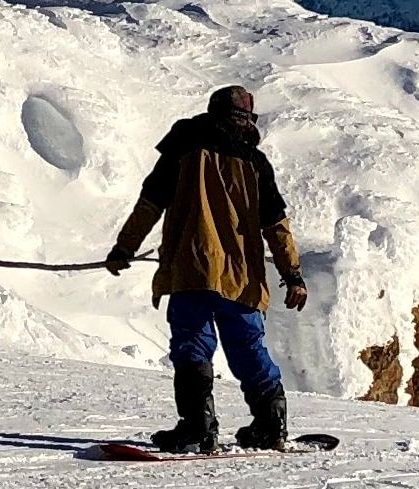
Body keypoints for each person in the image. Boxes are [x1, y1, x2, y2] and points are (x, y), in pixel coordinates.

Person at [105, 86, 307, 454]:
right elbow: (276, 225)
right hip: (241, 277)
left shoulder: (182, 147)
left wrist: (124, 248)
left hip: (192, 269)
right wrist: (292, 275)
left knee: (192, 346)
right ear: (246, 120)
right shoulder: (254, 162)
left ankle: (198, 428)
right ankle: (270, 425)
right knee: (248, 347)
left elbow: (149, 204)